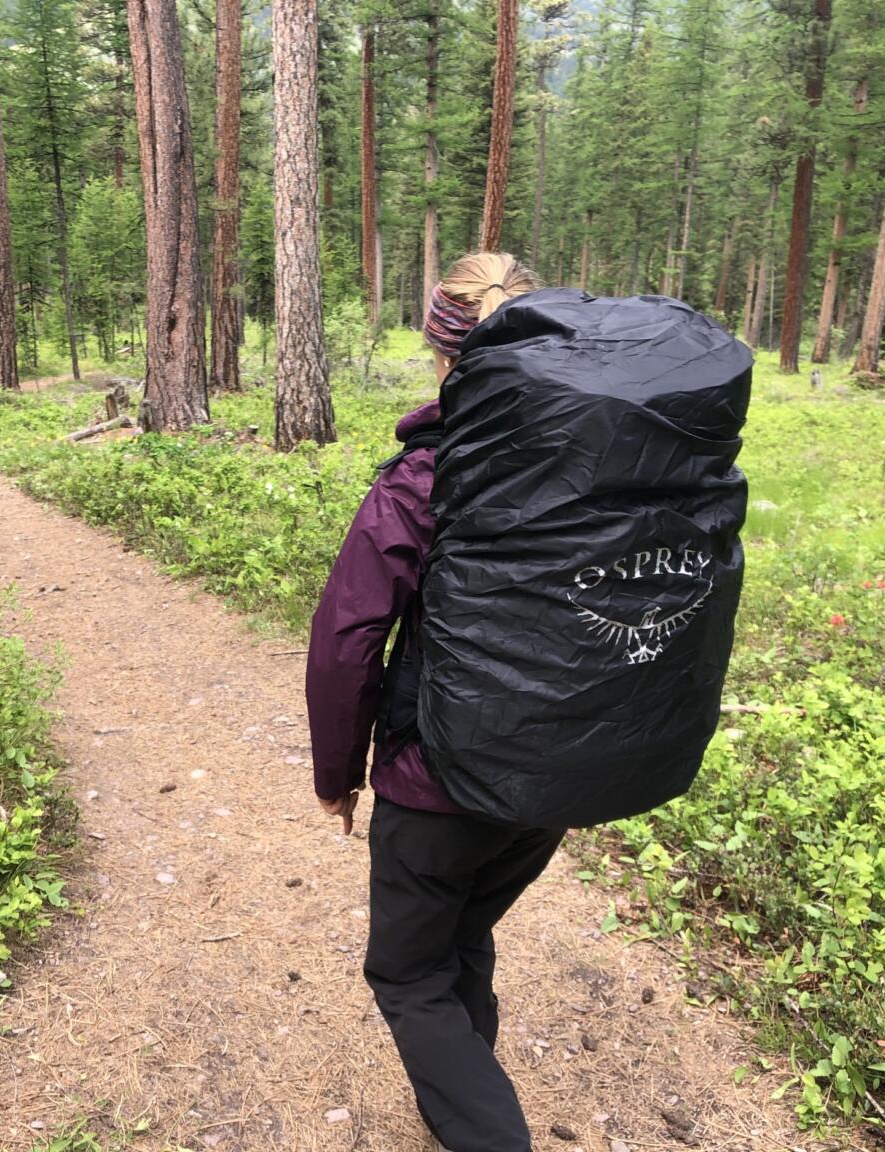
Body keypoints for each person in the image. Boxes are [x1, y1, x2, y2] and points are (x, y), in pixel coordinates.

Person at [305, 251, 562, 1152]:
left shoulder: (427, 477)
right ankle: (459, 1100)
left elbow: (346, 637)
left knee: (408, 974)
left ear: (441, 350)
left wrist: (336, 775)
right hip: (556, 781)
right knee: (464, 931)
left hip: (438, 781)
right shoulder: (593, 471)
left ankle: (488, 1136)